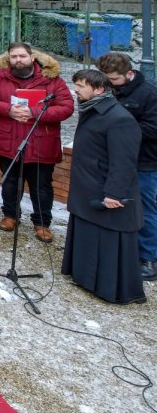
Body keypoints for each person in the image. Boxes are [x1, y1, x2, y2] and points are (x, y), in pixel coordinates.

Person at [61, 69, 146, 305]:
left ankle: (109, 288)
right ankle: (85, 278)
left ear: (99, 89)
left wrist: (113, 193)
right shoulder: (92, 109)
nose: (75, 90)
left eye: (80, 85)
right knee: (89, 234)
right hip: (88, 186)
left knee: (108, 240)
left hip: (104, 190)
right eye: (75, 84)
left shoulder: (120, 119)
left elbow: (124, 162)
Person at [0, 42, 74, 244]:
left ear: (32, 57)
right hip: (8, 139)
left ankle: (42, 222)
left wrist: (35, 112)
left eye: (22, 56)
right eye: (13, 56)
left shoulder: (52, 80)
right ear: (8, 58)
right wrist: (8, 109)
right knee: (11, 181)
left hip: (41, 141)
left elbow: (66, 107)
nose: (18, 60)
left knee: (41, 185)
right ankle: (10, 215)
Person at [97, 51, 157, 282]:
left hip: (144, 162)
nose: (108, 85)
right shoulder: (109, 91)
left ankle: (148, 257)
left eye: (112, 80)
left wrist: (119, 132)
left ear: (129, 74)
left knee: (145, 209)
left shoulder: (148, 94)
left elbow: (153, 129)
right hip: (113, 160)